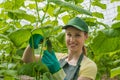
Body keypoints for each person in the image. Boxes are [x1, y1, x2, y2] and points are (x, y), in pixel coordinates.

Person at [22, 17, 97, 80]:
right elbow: (27, 60)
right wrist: (31, 45)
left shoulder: (89, 66)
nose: (72, 40)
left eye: (77, 35)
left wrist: (58, 73)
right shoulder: (57, 57)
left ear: (86, 36)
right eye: (69, 34)